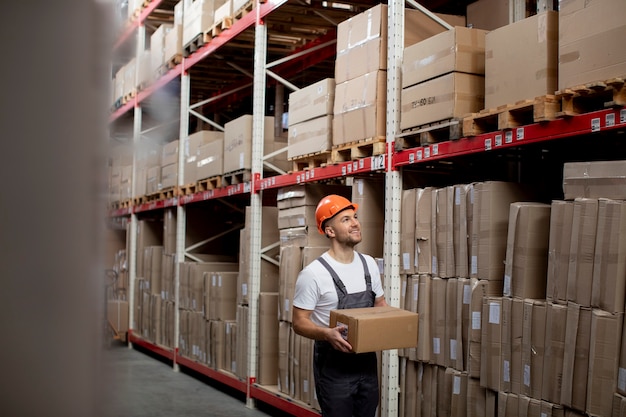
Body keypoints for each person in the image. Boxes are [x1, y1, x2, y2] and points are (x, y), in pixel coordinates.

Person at [292, 194, 388, 417]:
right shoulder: (314, 274)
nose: (355, 223)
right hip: (334, 368)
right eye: (345, 219)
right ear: (330, 231)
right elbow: (298, 323)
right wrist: (326, 333)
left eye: (355, 217)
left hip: (367, 363)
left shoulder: (369, 264)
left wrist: (394, 326)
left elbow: (380, 304)